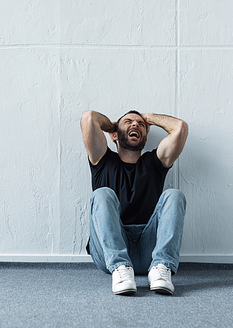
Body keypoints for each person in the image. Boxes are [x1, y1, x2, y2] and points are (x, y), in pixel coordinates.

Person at [80, 110, 188, 295]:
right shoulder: (102, 159)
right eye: (128, 122)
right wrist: (113, 126)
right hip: (108, 255)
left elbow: (180, 128)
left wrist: (149, 118)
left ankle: (161, 269)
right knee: (102, 194)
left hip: (149, 252)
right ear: (114, 135)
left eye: (140, 124)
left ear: (145, 140)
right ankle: (120, 268)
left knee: (174, 195)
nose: (135, 125)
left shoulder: (155, 163)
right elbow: (89, 118)